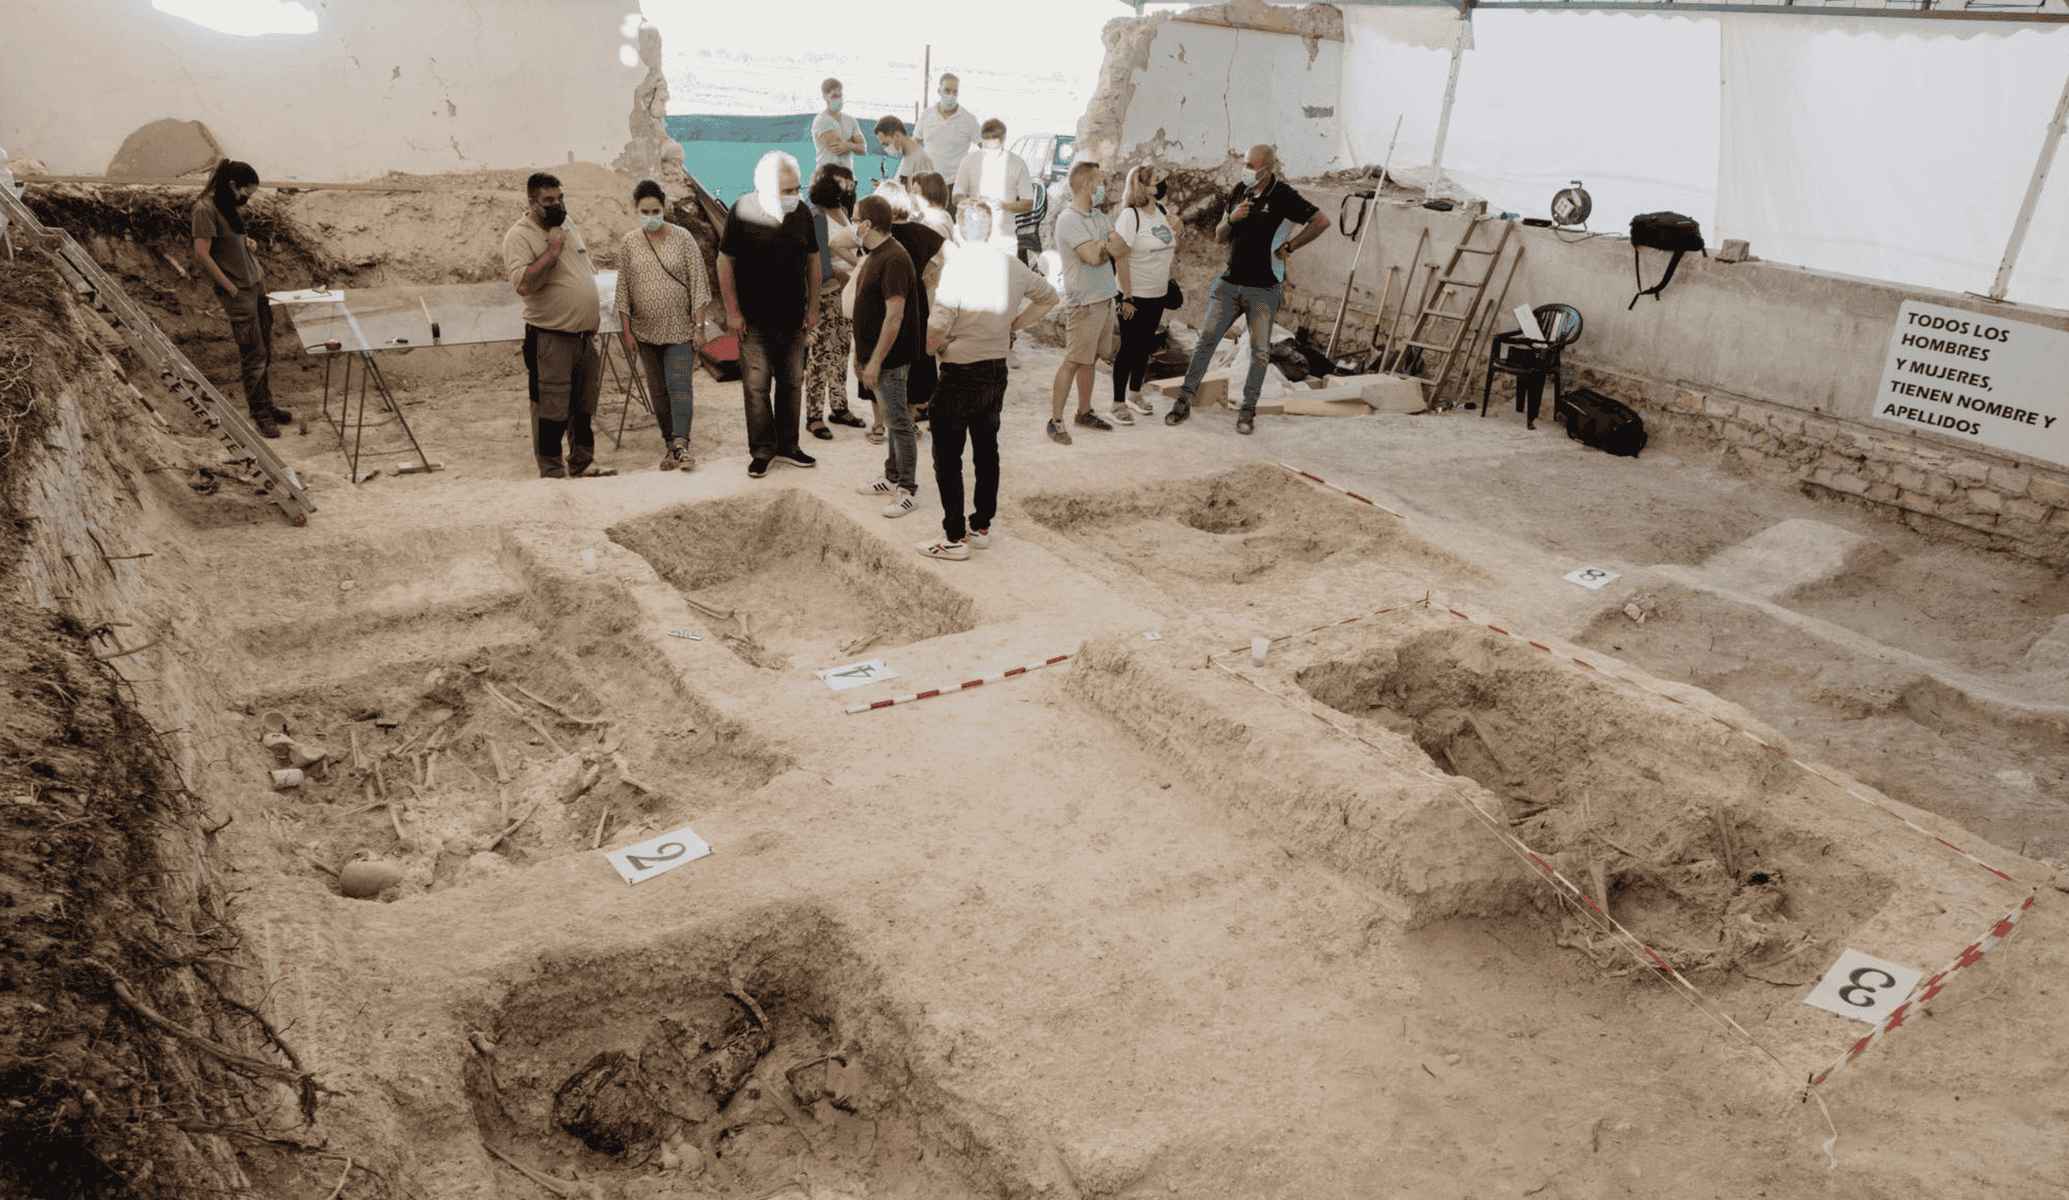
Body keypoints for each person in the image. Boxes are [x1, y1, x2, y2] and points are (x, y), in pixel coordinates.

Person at [918, 201, 1058, 561]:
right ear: (992, 227)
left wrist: (933, 348)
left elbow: (937, 325)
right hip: (995, 369)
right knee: (986, 450)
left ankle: (953, 536)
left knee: (948, 457)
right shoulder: (1010, 265)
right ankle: (981, 525)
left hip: (960, 369)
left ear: (961, 230)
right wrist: (1014, 324)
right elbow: (1049, 297)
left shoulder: (957, 267)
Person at [1165, 144, 1329, 434]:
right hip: (1229, 283)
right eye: (1246, 164)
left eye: (1252, 166)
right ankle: (1183, 401)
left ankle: (1247, 411)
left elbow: (1321, 221)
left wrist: (1290, 246)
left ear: (1267, 170)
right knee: (1206, 342)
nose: (1247, 170)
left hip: (1264, 288)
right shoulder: (1240, 189)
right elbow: (1219, 236)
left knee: (1259, 351)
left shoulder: (1284, 196)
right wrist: (1232, 218)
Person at [719, 151, 820, 478]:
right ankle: (762, 450)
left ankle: (789, 446)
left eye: (796, 188)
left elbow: (814, 261)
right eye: (786, 190)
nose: (793, 196)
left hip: (793, 318)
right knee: (756, 387)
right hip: (753, 320)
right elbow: (724, 262)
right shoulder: (741, 211)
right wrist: (732, 311)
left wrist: (814, 307)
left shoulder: (802, 213)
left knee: (792, 384)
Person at [504, 171, 604, 477]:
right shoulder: (518, 236)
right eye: (549, 200)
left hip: (584, 336)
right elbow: (523, 285)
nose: (557, 204)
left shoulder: (567, 225)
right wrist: (552, 251)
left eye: (560, 198)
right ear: (532, 202)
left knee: (584, 405)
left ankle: (582, 462)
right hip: (551, 337)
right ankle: (551, 470)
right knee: (550, 406)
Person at [615, 179, 712, 472]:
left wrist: (699, 327)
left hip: (679, 328)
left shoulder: (683, 239)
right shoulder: (629, 243)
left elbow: (698, 283)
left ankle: (681, 444)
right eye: (645, 211)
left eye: (655, 210)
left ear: (664, 207)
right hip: (645, 332)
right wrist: (627, 331)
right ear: (637, 210)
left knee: (679, 386)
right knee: (657, 391)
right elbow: (623, 291)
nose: (650, 216)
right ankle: (671, 443)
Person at [191, 160, 291, 438]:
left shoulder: (228, 205)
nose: (248, 199)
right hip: (239, 292)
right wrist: (230, 289)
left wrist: (249, 245)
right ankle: (259, 413)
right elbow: (202, 254)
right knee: (253, 355)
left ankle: (267, 406)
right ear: (232, 185)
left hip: (255, 285)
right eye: (247, 192)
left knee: (265, 350)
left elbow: (229, 243)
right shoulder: (204, 209)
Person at [848, 194, 925, 518]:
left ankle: (906, 487)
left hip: (890, 360)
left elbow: (894, 317)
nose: (853, 225)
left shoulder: (893, 258)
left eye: (855, 220)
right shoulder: (876, 254)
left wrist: (876, 360)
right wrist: (861, 355)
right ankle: (891, 475)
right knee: (893, 420)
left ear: (867, 224)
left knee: (899, 423)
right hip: (873, 355)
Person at [1048, 160, 1119, 443]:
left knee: (1088, 360)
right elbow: (1092, 256)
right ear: (1088, 186)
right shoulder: (1069, 219)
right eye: (1100, 182)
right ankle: (1055, 420)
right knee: (1073, 361)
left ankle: (1084, 411)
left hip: (1104, 297)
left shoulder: (1098, 217)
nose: (1103, 187)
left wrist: (1103, 247)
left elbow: (1120, 246)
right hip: (1084, 302)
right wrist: (1105, 247)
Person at [1106, 164, 1177, 422]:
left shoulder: (1161, 210)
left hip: (1157, 292)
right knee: (1128, 348)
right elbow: (1121, 258)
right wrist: (1126, 296)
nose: (1162, 184)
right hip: (1133, 294)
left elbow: (1169, 244)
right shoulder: (1130, 216)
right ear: (1143, 186)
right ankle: (1116, 403)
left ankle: (1134, 394)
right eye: (1157, 181)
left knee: (1145, 346)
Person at [804, 163, 867, 439]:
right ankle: (814, 415)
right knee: (819, 354)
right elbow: (818, 262)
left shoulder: (840, 211)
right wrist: (842, 275)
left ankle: (839, 407)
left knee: (841, 350)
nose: (849, 185)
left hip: (846, 290)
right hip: (828, 291)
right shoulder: (817, 215)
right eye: (845, 181)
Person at [953, 120, 1033, 233]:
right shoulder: (968, 161)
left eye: (995, 145)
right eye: (987, 145)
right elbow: (956, 197)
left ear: (1004, 139)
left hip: (1004, 233)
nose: (990, 151)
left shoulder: (1017, 163)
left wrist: (1003, 206)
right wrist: (969, 202)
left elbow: (1028, 204)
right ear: (981, 139)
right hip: (973, 230)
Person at [917, 72, 980, 185]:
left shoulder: (969, 119)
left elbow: (986, 147)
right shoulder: (926, 115)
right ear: (939, 91)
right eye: (947, 90)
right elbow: (914, 143)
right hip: (926, 181)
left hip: (954, 184)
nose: (951, 95)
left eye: (955, 92)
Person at [811, 78, 865, 176]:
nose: (838, 99)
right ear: (824, 97)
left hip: (847, 177)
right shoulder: (821, 120)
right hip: (827, 178)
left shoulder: (850, 120)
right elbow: (837, 148)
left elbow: (863, 149)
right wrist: (853, 144)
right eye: (834, 96)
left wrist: (849, 145)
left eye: (840, 95)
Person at [875, 116, 935, 180]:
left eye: (886, 144)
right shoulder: (907, 156)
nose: (886, 148)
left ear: (897, 135)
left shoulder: (920, 160)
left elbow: (927, 188)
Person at [911, 172, 956, 242]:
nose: (911, 197)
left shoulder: (935, 226)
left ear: (930, 194)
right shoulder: (942, 217)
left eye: (915, 192)